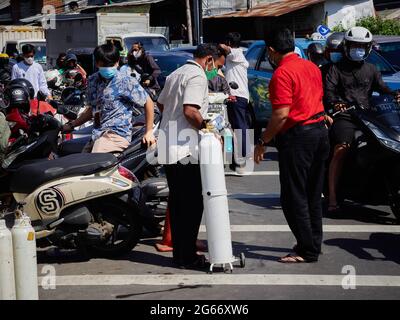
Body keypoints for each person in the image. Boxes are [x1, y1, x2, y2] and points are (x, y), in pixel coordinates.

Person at [254, 28, 329, 263]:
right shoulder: (311, 67)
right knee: (313, 194)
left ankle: (307, 249)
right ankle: (312, 243)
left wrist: (263, 141)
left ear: (271, 51)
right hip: (319, 132)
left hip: (299, 137)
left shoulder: (282, 74)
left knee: (293, 196)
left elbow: (281, 115)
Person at [157, 43, 219, 270]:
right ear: (209, 59)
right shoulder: (197, 76)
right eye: (215, 64)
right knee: (191, 205)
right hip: (185, 150)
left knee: (178, 203)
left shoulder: (176, 73)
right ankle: (187, 256)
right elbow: (190, 110)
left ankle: (180, 254)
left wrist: (174, 124)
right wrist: (209, 128)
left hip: (169, 146)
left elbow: (162, 103)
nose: (215, 70)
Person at [325, 26, 400, 213]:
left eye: (362, 46)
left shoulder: (372, 69)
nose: (358, 49)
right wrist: (336, 103)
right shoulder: (335, 69)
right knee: (341, 148)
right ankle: (333, 199)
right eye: (354, 45)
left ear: (368, 49)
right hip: (345, 116)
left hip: (368, 115)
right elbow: (329, 92)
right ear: (346, 46)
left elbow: (383, 89)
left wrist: (395, 94)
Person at [62, 43, 156, 153]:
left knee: (95, 162)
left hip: (117, 135)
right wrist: (72, 125)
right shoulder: (93, 81)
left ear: (117, 63)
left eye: (111, 64)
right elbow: (93, 109)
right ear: (97, 63)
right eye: (104, 64)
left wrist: (149, 132)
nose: (108, 68)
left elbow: (148, 102)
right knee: (80, 164)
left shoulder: (125, 81)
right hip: (97, 135)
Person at [220, 32, 250, 171]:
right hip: (236, 96)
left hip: (236, 96)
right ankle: (234, 158)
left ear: (230, 43)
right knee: (233, 128)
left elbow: (225, 48)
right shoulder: (236, 57)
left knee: (238, 128)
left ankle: (242, 156)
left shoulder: (236, 53)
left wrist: (218, 47)